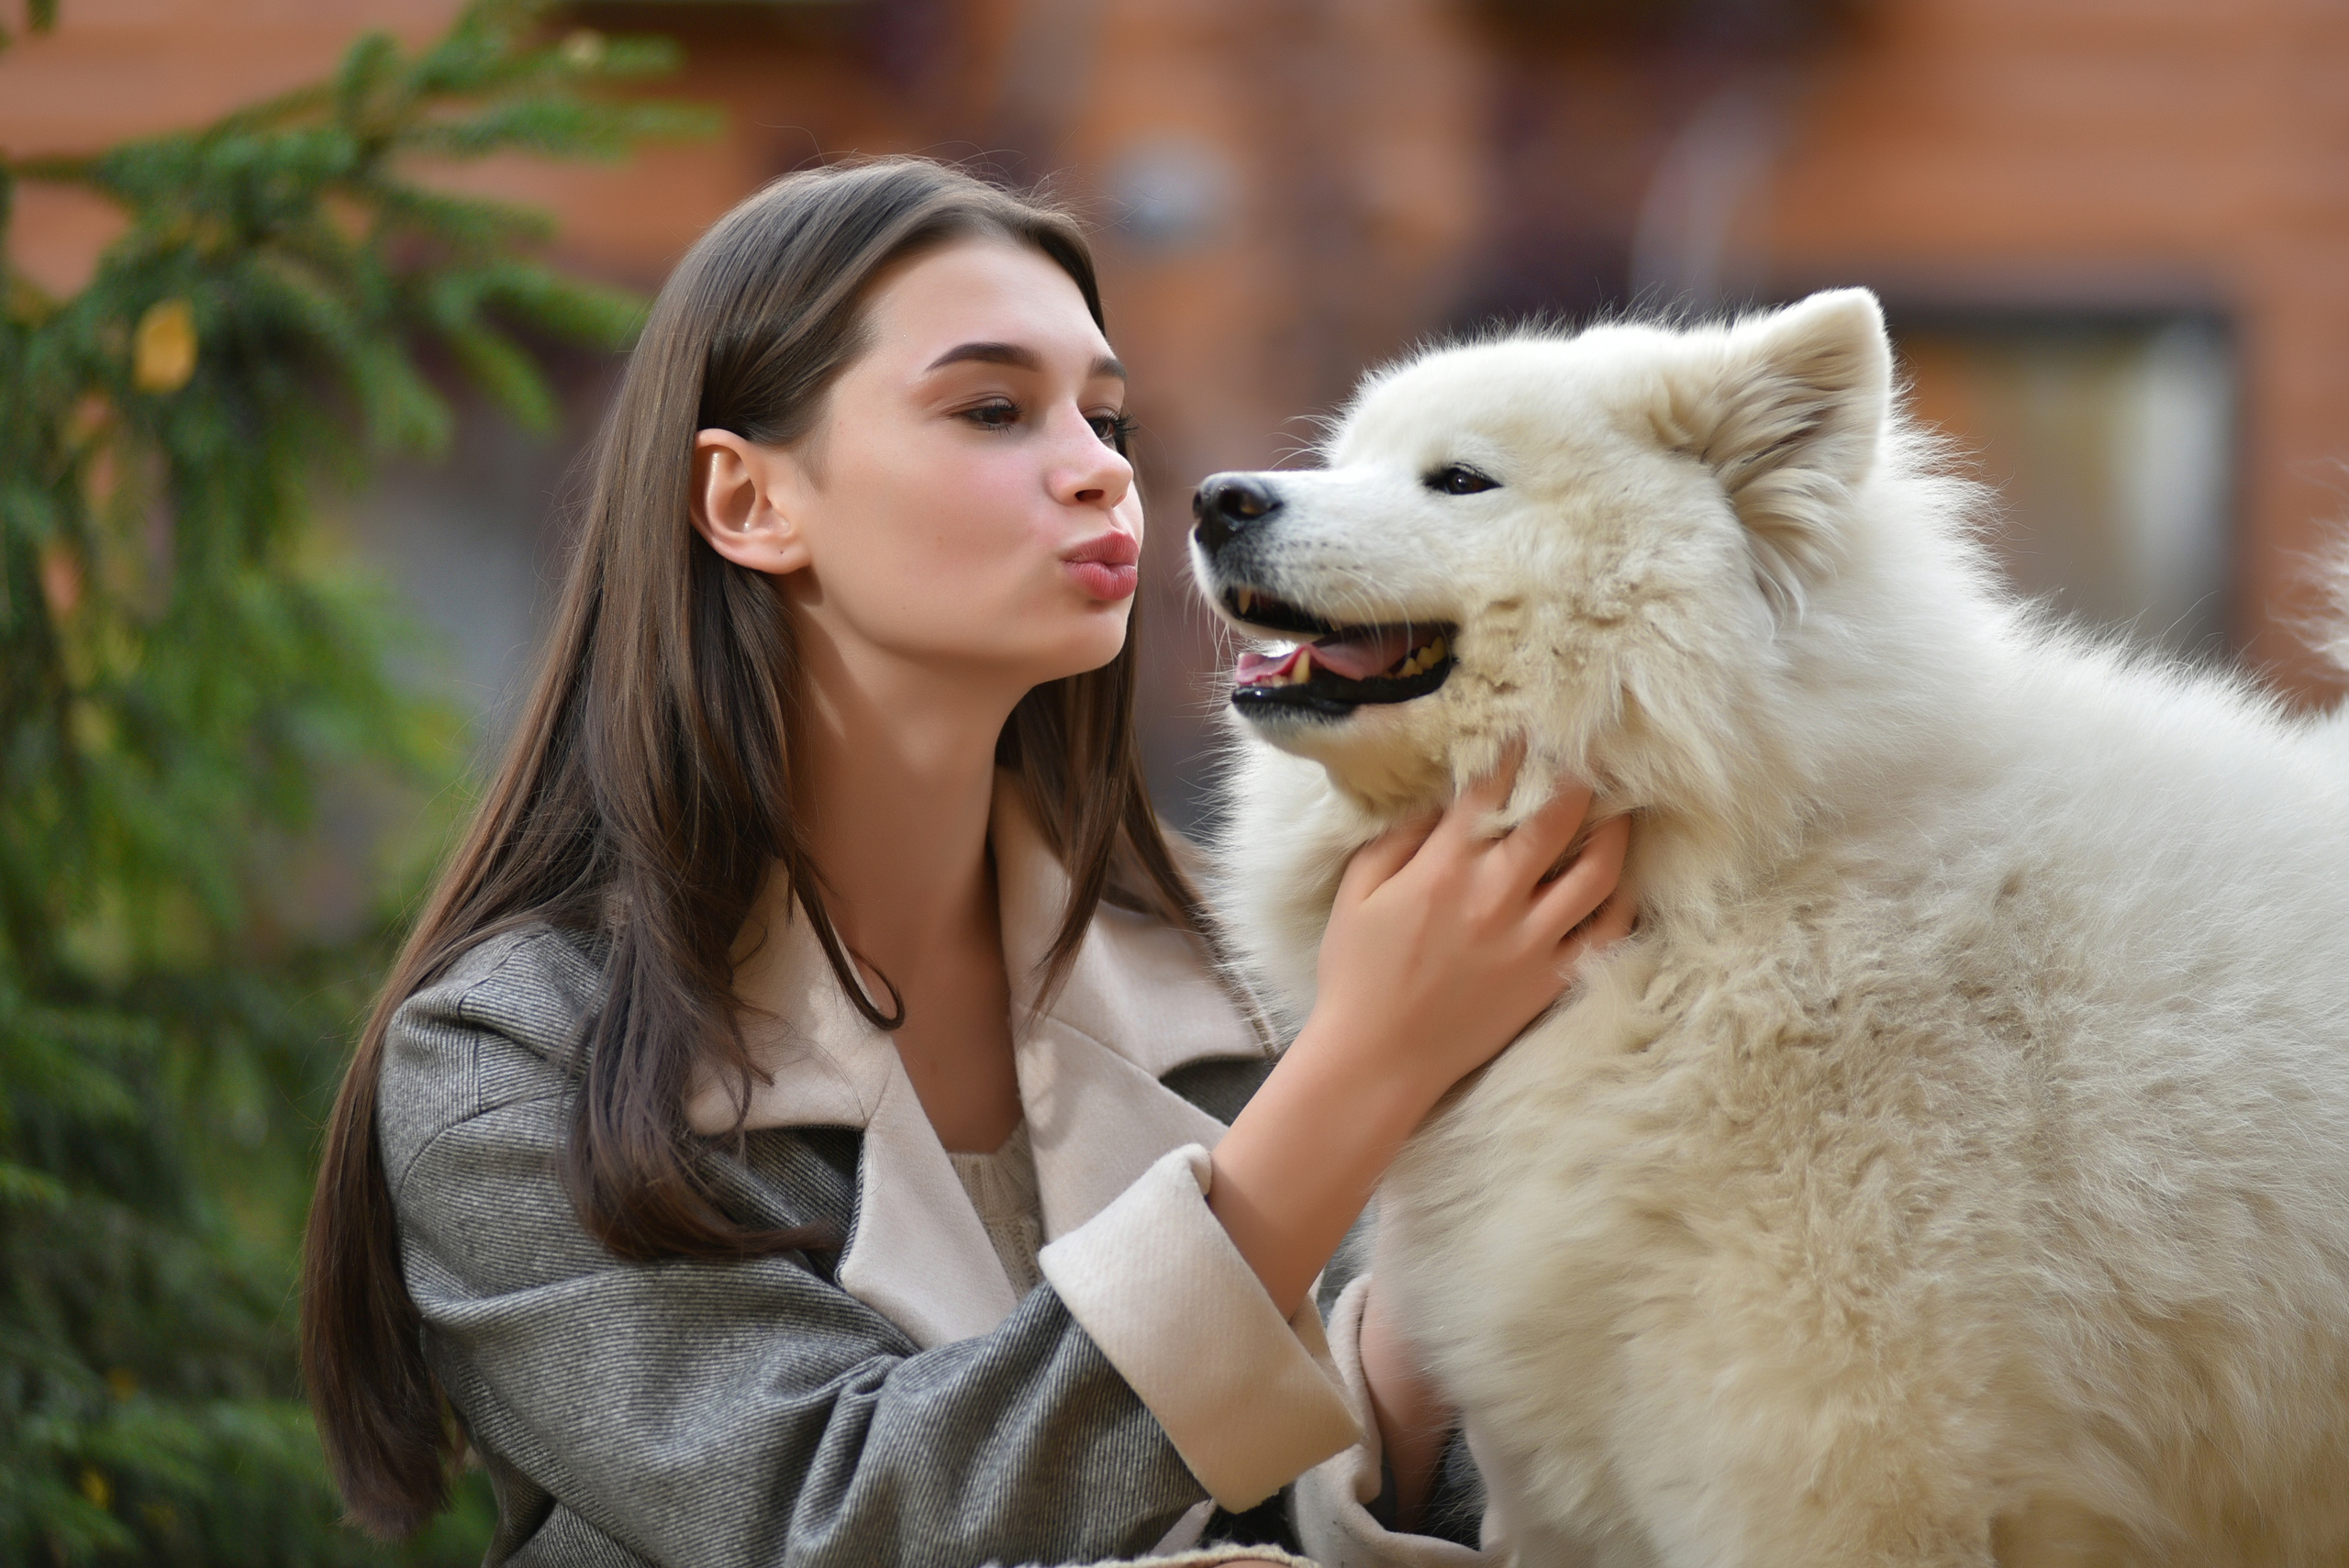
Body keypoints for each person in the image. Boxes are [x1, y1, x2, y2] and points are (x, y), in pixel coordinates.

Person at [300, 157, 1632, 1568]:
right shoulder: (516, 1057)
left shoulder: (1236, 966)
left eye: (1108, 417)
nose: (1101, 469)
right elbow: (826, 1513)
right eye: (993, 408)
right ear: (748, 501)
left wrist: (1440, 1336)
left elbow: (1380, 1493)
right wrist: (1362, 1071)